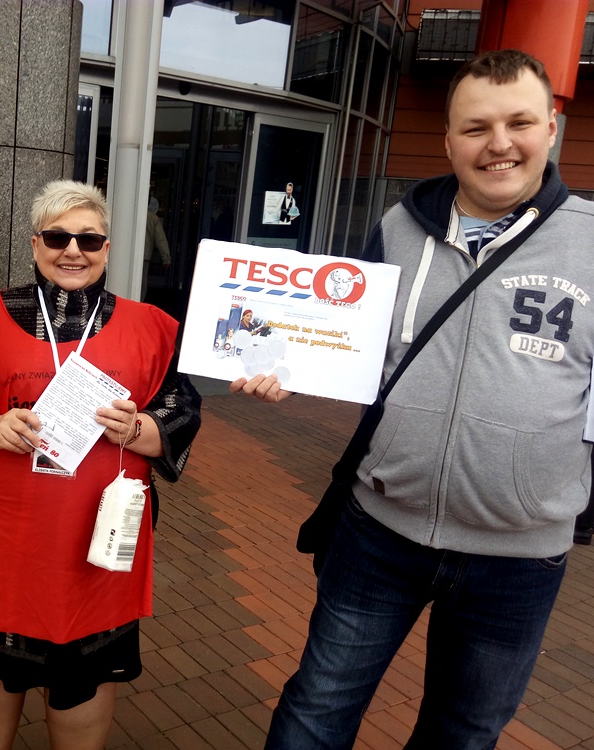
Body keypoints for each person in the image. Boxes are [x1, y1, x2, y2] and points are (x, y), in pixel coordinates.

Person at [235, 49, 594, 749]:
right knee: (315, 712)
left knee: (464, 733)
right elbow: (352, 348)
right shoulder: (400, 229)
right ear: (449, 140)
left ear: (552, 127)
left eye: (519, 122)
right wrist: (283, 365)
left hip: (518, 558)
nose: (499, 144)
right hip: (379, 532)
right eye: (475, 127)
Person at [0, 180, 202, 749]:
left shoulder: (152, 326)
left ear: (107, 248)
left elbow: (181, 403)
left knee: (84, 678)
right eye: (58, 237)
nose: (73, 251)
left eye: (89, 240)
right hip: (1, 538)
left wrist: (143, 428)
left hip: (99, 539)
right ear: (34, 244)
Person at [142, 207, 170, 301]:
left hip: (126, 254)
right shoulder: (153, 218)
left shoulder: (128, 213)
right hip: (145, 255)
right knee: (141, 285)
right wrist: (166, 258)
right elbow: (160, 239)